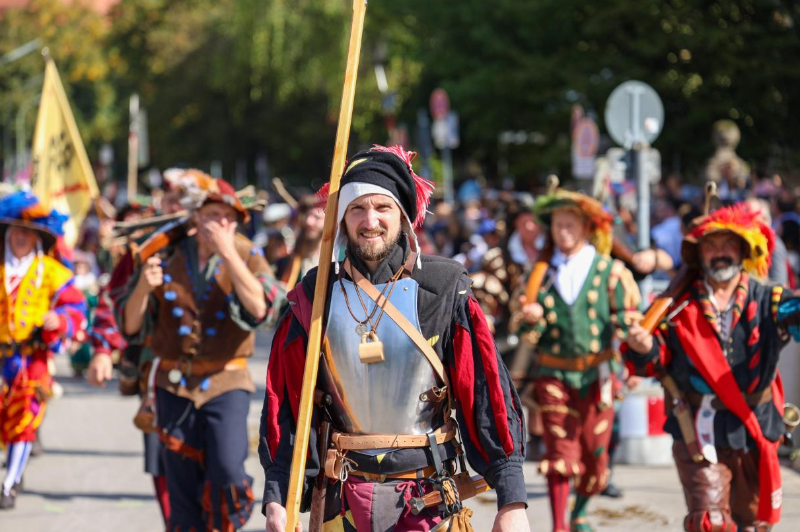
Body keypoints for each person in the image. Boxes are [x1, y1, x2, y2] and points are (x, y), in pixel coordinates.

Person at [260, 145, 529, 532]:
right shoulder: (315, 293)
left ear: (402, 216)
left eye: (382, 208)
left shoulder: (444, 287)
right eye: (357, 209)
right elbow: (284, 403)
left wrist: (512, 499)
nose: (371, 221)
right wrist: (278, 495)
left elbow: (486, 391)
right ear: (342, 220)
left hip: (427, 497)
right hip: (343, 498)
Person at [117, 169, 286, 531]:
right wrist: (144, 289)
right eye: (212, 215)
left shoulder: (247, 252)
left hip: (227, 381)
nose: (219, 223)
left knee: (227, 469)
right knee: (181, 486)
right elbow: (130, 327)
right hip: (173, 383)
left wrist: (227, 251)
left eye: (228, 218)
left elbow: (262, 309)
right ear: (196, 217)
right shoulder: (164, 252)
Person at [625, 202, 799, 532]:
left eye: (728, 244)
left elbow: (795, 315)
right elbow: (648, 364)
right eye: (711, 245)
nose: (720, 253)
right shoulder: (675, 306)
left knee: (752, 523)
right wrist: (644, 348)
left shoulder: (769, 297)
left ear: (742, 250)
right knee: (711, 522)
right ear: (699, 253)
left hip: (755, 426)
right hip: (697, 427)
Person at [515, 188, 641, 532]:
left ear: (587, 228)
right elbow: (527, 332)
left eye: (570, 224)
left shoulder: (611, 271)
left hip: (599, 375)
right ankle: (559, 525)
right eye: (558, 225)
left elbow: (629, 321)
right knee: (559, 452)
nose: (563, 231)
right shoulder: (539, 274)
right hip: (553, 374)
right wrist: (532, 317)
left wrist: (632, 362)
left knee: (595, 455)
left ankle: (580, 513)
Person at [0, 191, 87, 510]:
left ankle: (9, 484)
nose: (21, 236)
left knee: (24, 422)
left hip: (30, 358)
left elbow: (77, 308)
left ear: (36, 235)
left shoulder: (51, 271)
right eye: (15, 230)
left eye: (27, 231)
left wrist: (60, 318)